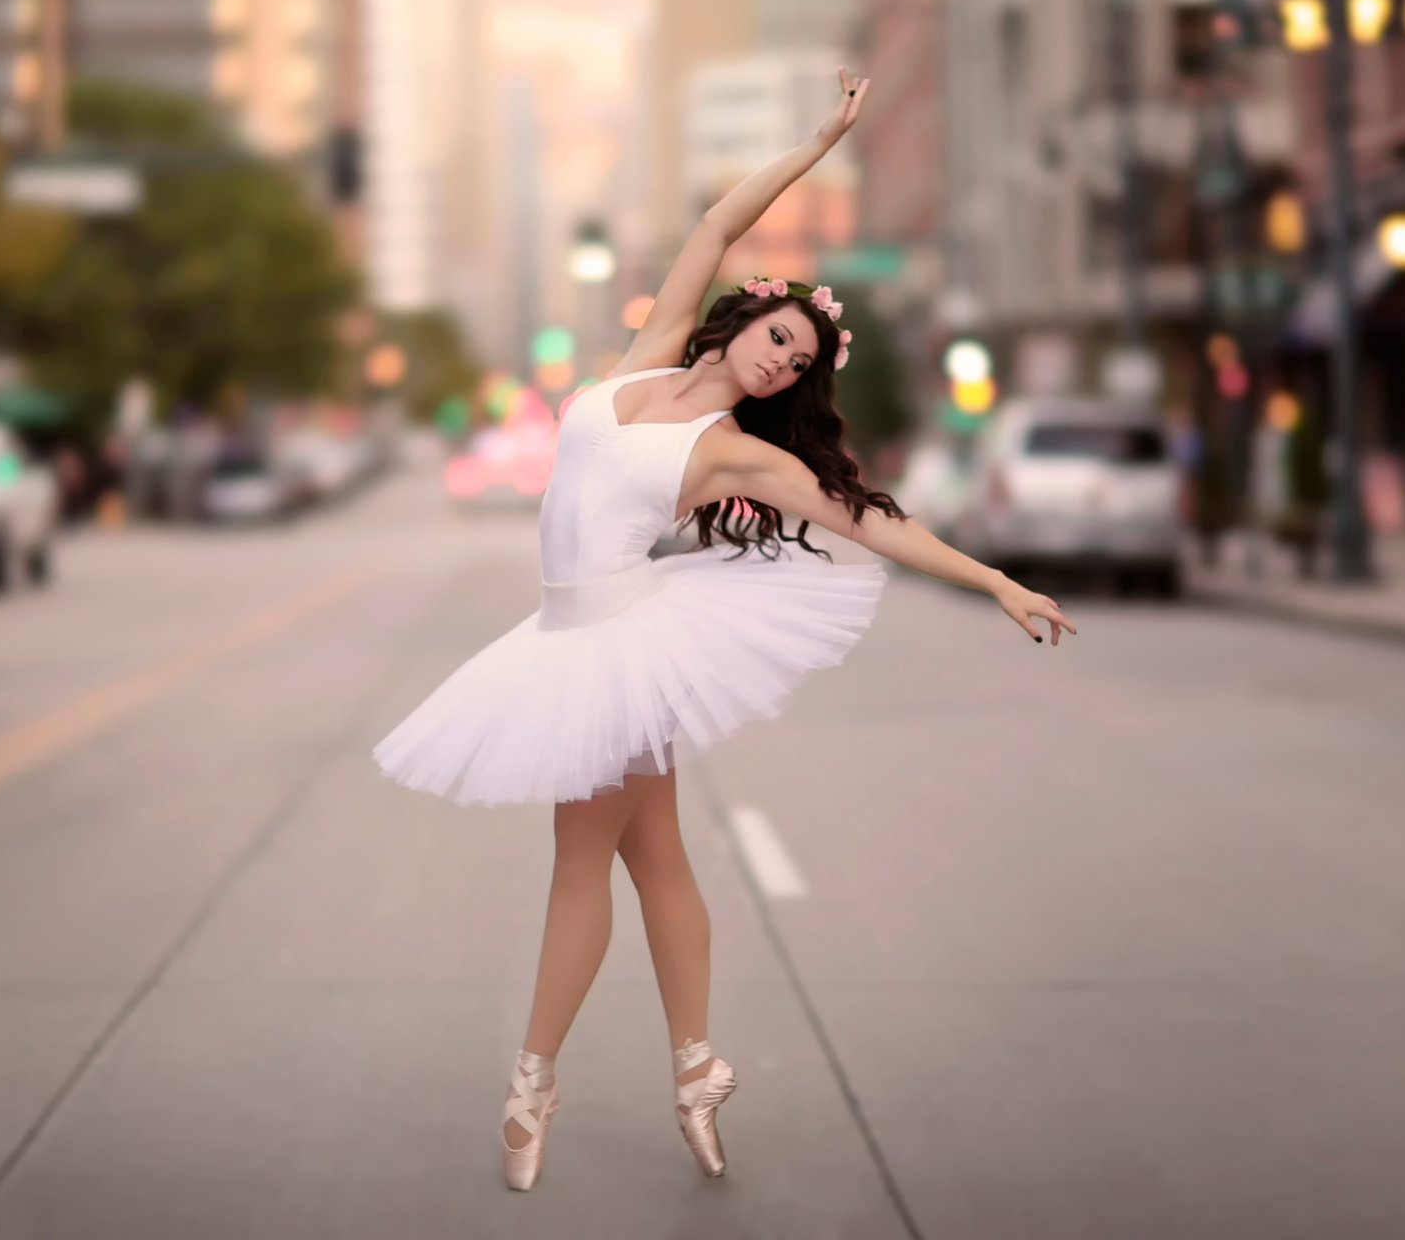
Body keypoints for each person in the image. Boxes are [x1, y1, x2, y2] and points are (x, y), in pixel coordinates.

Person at [371, 68, 1076, 1192]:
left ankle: (531, 1085)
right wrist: (817, 142)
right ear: (746, 319)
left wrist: (995, 579)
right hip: (571, 639)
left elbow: (870, 520)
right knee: (658, 863)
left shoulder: (741, 455)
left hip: (614, 649)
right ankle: (697, 1073)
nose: (784, 361)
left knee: (578, 869)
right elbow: (716, 222)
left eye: (799, 362)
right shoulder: (641, 364)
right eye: (779, 339)